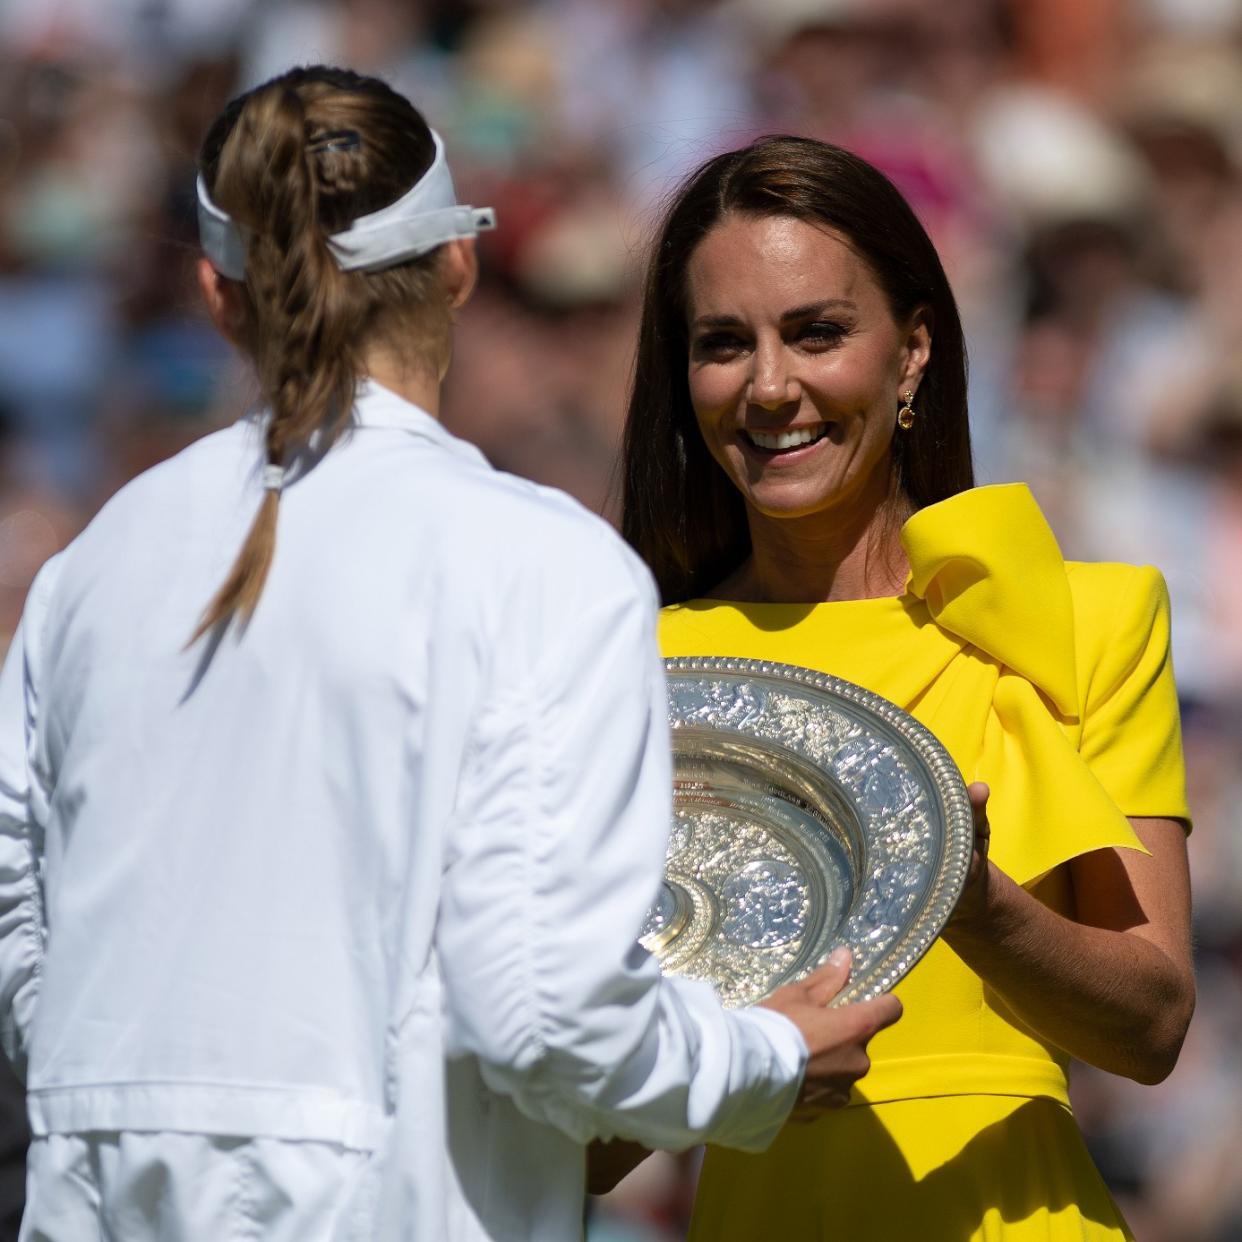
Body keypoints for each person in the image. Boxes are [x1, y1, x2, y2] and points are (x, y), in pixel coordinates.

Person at [0, 73, 902, 1241]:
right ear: (459, 270)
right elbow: (540, 1015)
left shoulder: (92, 564)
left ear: (217, 295)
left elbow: (29, 938)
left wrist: (132, 1078)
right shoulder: (539, 565)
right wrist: (762, 1056)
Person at [619, 135, 1195, 1241]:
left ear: (914, 350)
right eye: (724, 344)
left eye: (818, 332)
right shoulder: (631, 665)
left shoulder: (1081, 621)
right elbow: (590, 1146)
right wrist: (726, 1066)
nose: (772, 385)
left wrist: (975, 905)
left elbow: (1153, 1022)